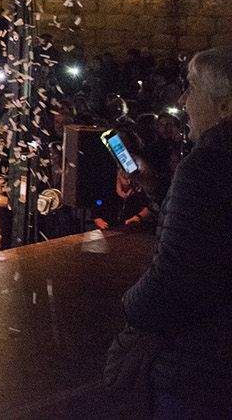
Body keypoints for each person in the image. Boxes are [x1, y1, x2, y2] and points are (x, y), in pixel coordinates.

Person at [107, 47, 232, 416]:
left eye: (192, 89)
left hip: (198, 364)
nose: (183, 101)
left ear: (224, 106)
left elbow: (175, 277)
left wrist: (129, 305)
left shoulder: (206, 165)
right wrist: (155, 186)